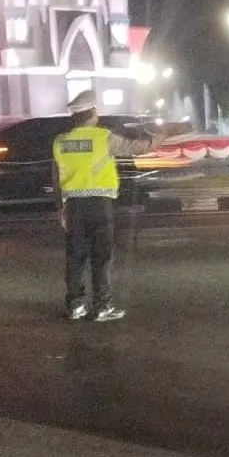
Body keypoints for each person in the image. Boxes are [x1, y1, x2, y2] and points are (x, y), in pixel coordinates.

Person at [51, 90, 165, 322]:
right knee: (101, 256)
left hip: (73, 206)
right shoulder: (103, 137)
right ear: (92, 113)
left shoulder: (60, 142)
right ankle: (102, 306)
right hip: (99, 205)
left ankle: (75, 305)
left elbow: (55, 177)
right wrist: (159, 135)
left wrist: (59, 207)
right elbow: (139, 148)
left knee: (75, 257)